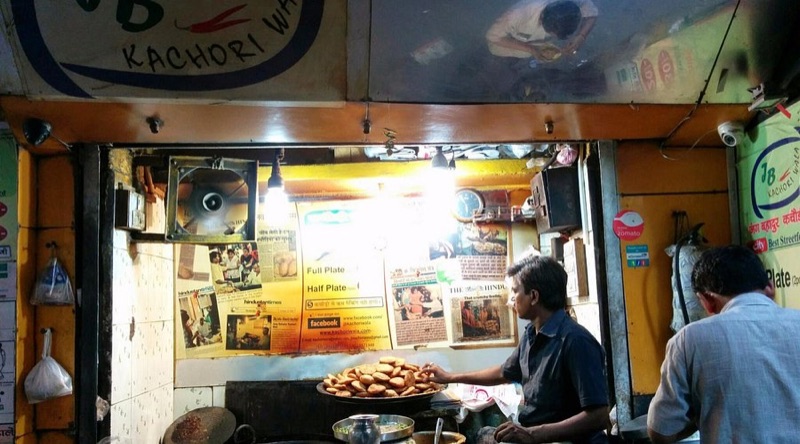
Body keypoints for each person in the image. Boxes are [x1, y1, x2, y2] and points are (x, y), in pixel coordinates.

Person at [423, 254, 608, 444]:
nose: (510, 300)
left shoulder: (576, 341)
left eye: (515, 292)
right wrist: (449, 377)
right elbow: (504, 372)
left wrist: (532, 434)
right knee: (482, 434)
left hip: (565, 440)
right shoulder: (532, 334)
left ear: (534, 296)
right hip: (535, 434)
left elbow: (599, 416)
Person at [647, 245, 800, 443]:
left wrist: (701, 413)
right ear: (770, 287)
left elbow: (661, 431)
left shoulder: (689, 340)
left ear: (707, 300)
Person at [486, 0, 598, 61]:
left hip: (532, 37)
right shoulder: (516, 15)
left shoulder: (574, 2)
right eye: (551, 32)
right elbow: (492, 36)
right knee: (495, 48)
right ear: (542, 17)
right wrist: (531, 49)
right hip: (510, 35)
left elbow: (592, 14)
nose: (554, 37)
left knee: (535, 50)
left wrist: (581, 37)